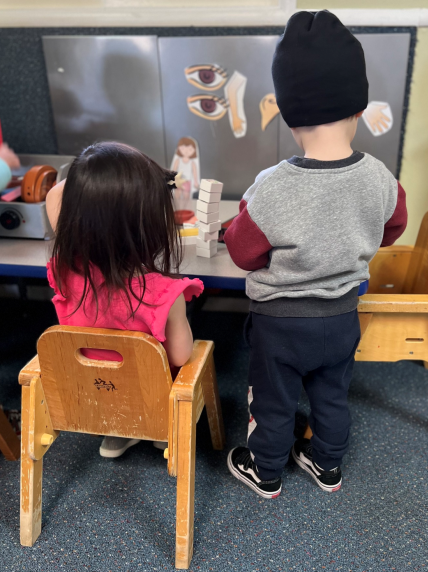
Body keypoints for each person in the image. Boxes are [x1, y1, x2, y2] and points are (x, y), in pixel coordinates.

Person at [223, 10, 408, 498]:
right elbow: (392, 229)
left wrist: (241, 217)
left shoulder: (272, 186)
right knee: (332, 394)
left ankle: (266, 471)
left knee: (273, 399)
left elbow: (243, 252)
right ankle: (326, 465)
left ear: (286, 109)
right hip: (343, 314)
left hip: (280, 324)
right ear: (359, 104)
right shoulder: (381, 177)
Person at [44, 142, 203, 458]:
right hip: (149, 394)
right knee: (181, 358)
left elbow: (56, 196)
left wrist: (93, 174)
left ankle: (117, 433)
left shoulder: (65, 271)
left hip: (94, 391)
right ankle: (160, 431)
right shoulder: (165, 295)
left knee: (115, 371)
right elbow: (182, 356)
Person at [169, 136, 200, 204]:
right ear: (179, 149)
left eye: (190, 149)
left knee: (187, 197)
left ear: (194, 150)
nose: (186, 151)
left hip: (187, 181)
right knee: (177, 195)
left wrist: (195, 182)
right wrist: (172, 179)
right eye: (183, 148)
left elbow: (195, 172)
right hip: (178, 181)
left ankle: (185, 209)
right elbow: (173, 170)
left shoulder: (192, 163)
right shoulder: (178, 160)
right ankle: (177, 209)